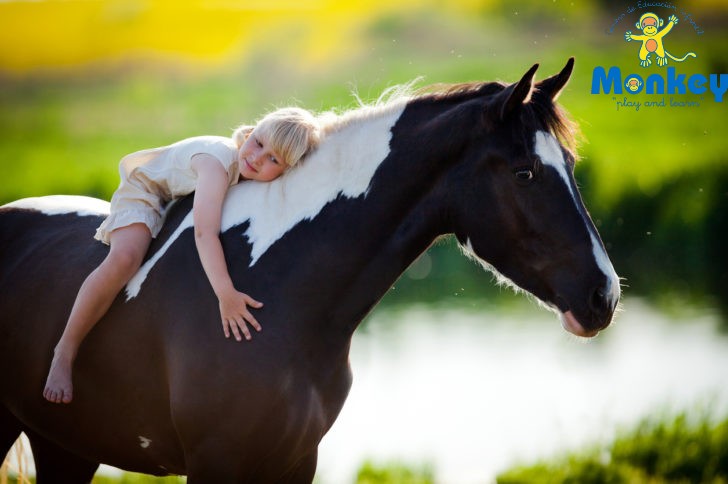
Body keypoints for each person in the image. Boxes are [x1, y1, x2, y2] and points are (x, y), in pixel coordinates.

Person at [43, 107, 321, 404]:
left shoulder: (247, 169)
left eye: (273, 160)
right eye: (259, 144)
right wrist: (225, 293)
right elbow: (204, 233)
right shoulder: (217, 164)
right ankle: (64, 351)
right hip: (147, 193)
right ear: (250, 134)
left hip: (179, 203)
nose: (257, 158)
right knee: (125, 259)